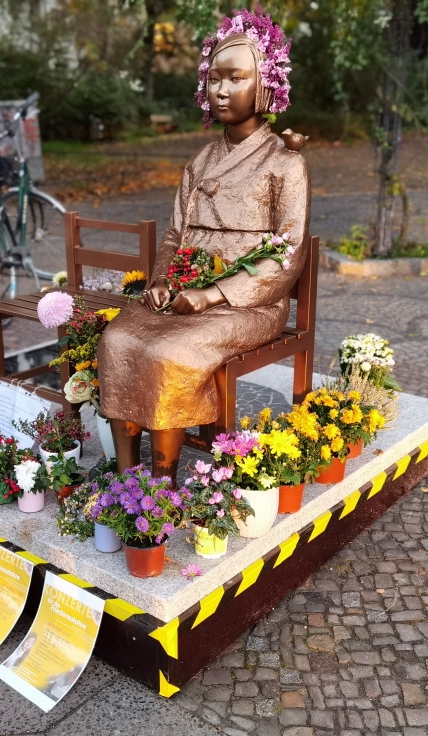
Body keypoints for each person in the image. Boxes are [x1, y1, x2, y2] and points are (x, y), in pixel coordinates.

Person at [97, 9, 310, 483]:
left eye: (236, 78)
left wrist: (213, 295)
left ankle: (161, 486)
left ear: (266, 84)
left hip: (249, 302)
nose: (221, 90)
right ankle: (127, 480)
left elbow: (288, 252)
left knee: (169, 351)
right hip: (184, 290)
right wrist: (159, 283)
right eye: (215, 78)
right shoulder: (200, 161)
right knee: (118, 339)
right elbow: (174, 235)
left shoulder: (284, 164)